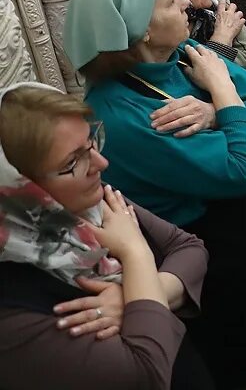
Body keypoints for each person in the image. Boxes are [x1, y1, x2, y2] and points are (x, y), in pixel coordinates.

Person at [63, 0, 246, 389]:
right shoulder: (117, 115)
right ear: (139, 28)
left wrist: (217, 113)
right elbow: (244, 169)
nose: (185, 2)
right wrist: (226, 90)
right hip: (225, 272)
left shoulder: (182, 56)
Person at [0, 82, 209, 390]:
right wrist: (136, 254)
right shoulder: (12, 309)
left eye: (91, 141)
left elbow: (190, 248)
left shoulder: (90, 205)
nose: (101, 164)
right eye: (72, 162)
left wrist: (129, 299)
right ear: (20, 190)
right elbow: (148, 373)